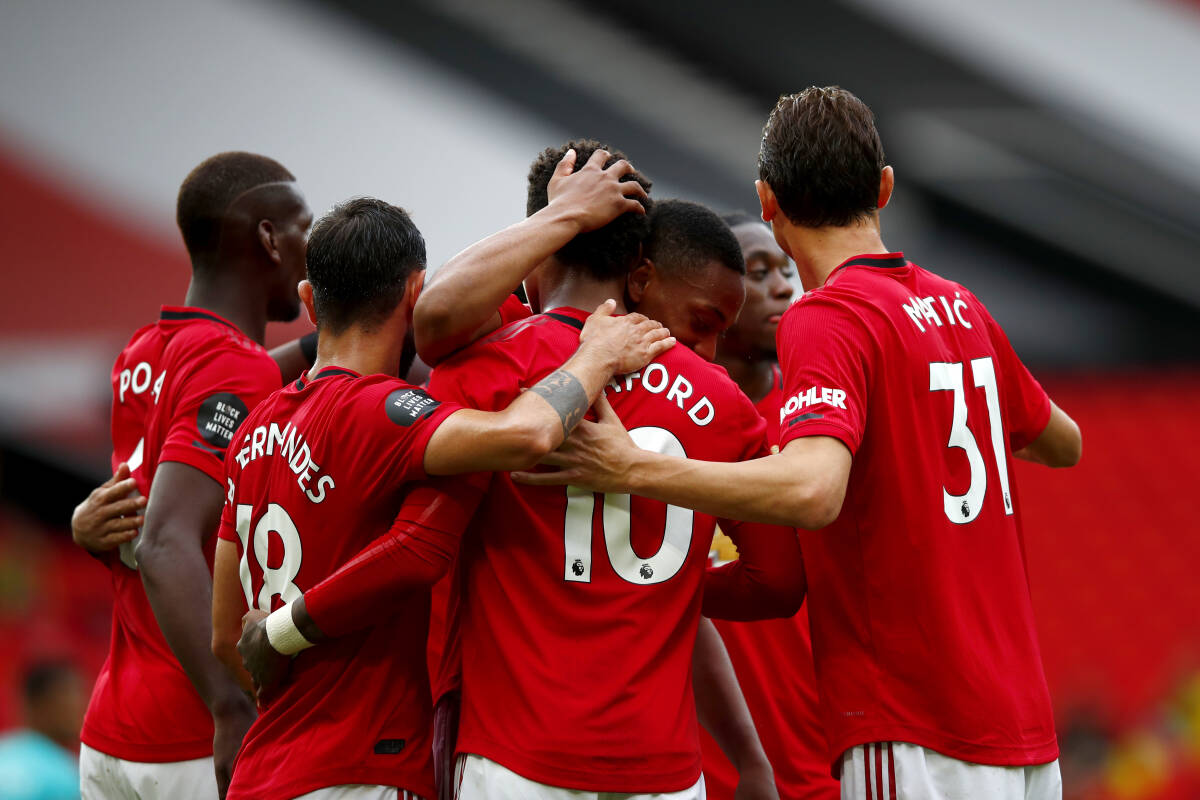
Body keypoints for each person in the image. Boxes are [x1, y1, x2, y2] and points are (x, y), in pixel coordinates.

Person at [515, 88, 1082, 800]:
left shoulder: (828, 316)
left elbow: (814, 491)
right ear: (884, 187)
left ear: (768, 202)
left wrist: (633, 469)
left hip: (914, 723)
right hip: (1024, 729)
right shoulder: (961, 306)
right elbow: (1062, 441)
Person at [209, 195, 672, 800]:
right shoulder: (384, 413)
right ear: (415, 293)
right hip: (359, 768)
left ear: (308, 300)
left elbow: (224, 636)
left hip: (264, 771)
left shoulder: (252, 430)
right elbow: (527, 433)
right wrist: (595, 354)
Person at [74, 151, 312, 799]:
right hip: (194, 736)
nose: (309, 250)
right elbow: (163, 541)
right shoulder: (233, 366)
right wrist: (230, 706)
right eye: (303, 228)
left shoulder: (145, 352)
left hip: (114, 732)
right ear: (268, 237)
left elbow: (131, 524)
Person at [700, 213, 840, 800]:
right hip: (710, 755)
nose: (785, 285)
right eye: (759, 273)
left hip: (824, 738)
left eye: (787, 269)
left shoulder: (823, 420)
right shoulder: (672, 419)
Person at [0, 660, 86, 800]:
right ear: (41, 703)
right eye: (69, 698)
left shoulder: (4, 750)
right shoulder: (64, 772)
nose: (80, 710)